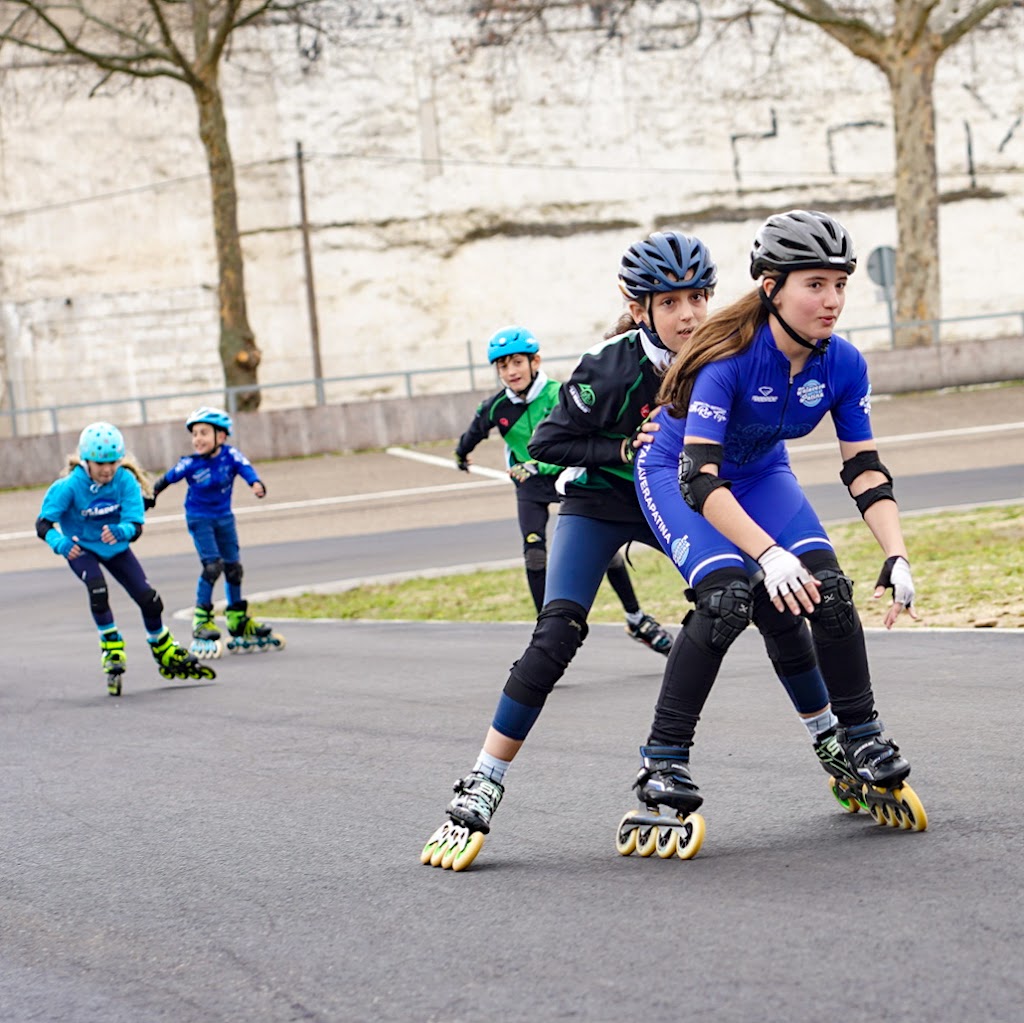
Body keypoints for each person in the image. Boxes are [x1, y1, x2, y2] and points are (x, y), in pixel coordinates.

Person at [421, 230, 839, 871]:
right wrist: (619, 448)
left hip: (677, 497)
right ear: (638, 307)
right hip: (602, 502)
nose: (688, 315)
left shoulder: (725, 349)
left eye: (697, 298)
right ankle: (483, 780)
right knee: (556, 634)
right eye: (669, 302)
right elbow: (549, 442)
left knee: (767, 599)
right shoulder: (608, 367)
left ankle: (831, 742)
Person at [625, 209, 926, 853]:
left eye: (839, 284)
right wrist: (766, 553)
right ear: (771, 288)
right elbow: (700, 480)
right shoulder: (727, 360)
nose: (832, 300)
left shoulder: (843, 364)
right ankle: (663, 759)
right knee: (727, 599)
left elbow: (864, 469)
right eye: (814, 285)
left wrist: (896, 553)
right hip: (680, 473)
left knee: (830, 590)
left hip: (761, 472)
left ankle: (862, 737)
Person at [454, 324, 673, 653]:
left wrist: (540, 465)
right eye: (503, 366)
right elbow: (473, 432)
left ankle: (636, 618)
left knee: (605, 549)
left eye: (517, 362)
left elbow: (578, 439)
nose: (511, 371)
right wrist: (461, 454)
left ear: (535, 362)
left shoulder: (561, 393)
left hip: (566, 476)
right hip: (529, 486)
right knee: (534, 554)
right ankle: (546, 634)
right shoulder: (496, 407)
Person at [35, 422, 215, 696]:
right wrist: (59, 542)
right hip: (80, 547)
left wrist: (123, 530)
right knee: (98, 590)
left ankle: (162, 646)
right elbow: (43, 524)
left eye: (113, 462)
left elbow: (136, 525)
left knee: (150, 600)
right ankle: (111, 647)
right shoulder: (69, 486)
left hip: (115, 547)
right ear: (86, 461)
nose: (107, 470)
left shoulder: (125, 481)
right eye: (100, 464)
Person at [148, 407, 283, 657]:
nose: (197, 439)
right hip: (199, 518)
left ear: (220, 436)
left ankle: (236, 618)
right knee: (212, 567)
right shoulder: (190, 463)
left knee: (234, 568)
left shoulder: (230, 455)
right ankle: (201, 620)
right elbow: (165, 479)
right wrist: (151, 496)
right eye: (194, 434)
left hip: (224, 518)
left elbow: (246, 469)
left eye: (204, 433)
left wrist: (255, 484)